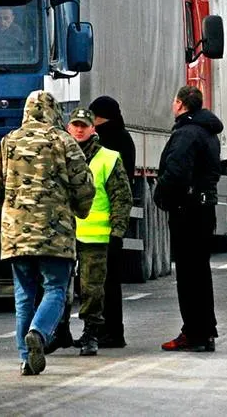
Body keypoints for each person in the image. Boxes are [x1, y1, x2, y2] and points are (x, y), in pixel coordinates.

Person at [0, 90, 94, 376]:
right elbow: (84, 185)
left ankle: (25, 359)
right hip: (55, 233)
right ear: (55, 113)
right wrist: (81, 209)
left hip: (16, 234)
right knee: (55, 289)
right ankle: (39, 334)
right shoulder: (64, 142)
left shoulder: (9, 142)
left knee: (23, 295)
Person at [53, 108, 133, 357]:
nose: (79, 129)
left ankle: (91, 334)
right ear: (68, 128)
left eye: (84, 126)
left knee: (92, 289)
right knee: (59, 287)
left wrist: (117, 231)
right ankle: (60, 330)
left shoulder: (108, 158)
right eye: (75, 125)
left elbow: (122, 197)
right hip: (64, 235)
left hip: (95, 237)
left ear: (93, 129)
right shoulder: (58, 156)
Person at [153, 85, 223, 353]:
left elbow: (176, 172)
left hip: (188, 210)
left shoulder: (185, 134)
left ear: (181, 105)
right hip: (205, 209)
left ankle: (194, 332)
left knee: (188, 275)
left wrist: (163, 197)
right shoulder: (208, 132)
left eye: (174, 101)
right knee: (200, 273)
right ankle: (205, 331)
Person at [87, 95, 135, 348]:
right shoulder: (124, 138)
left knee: (103, 283)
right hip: (112, 221)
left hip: (103, 222)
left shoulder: (107, 141)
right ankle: (111, 331)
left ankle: (110, 332)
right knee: (108, 281)